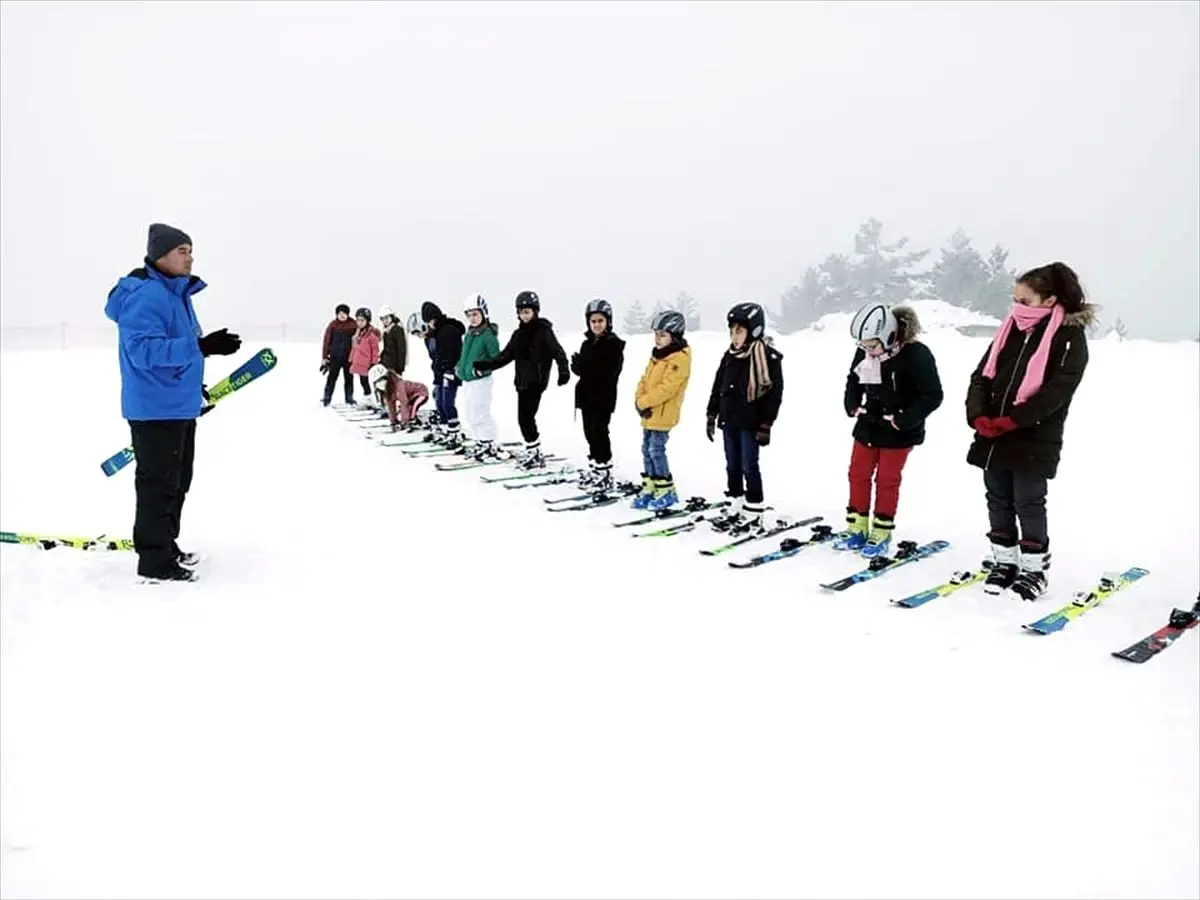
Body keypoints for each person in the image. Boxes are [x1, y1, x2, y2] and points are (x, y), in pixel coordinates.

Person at [103, 223, 242, 583]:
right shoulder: (148, 296)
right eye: (183, 251)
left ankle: (166, 545)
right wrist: (200, 346)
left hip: (176, 405)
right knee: (158, 486)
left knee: (178, 482)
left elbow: (178, 354)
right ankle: (154, 561)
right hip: (153, 409)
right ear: (160, 255)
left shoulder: (176, 294)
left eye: (191, 250)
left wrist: (194, 383)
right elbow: (142, 351)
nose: (190, 257)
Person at [966, 261, 1094, 601]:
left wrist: (1015, 420)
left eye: (1026, 301)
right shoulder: (1010, 329)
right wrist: (977, 415)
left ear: (1050, 300)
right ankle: (1004, 562)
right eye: (1015, 299)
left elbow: (1057, 391)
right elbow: (981, 375)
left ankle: (1034, 570)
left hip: (1034, 434)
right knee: (998, 498)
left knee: (1028, 501)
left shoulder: (1068, 337)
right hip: (992, 433)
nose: (1017, 307)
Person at [835, 302, 943, 558]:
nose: (867, 351)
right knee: (857, 474)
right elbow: (853, 378)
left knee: (886, 480)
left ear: (890, 336)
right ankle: (856, 528)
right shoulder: (866, 352)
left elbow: (932, 395)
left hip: (899, 430)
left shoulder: (917, 355)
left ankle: (881, 532)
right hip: (868, 424)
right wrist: (851, 403)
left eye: (871, 346)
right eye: (862, 346)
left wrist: (904, 419)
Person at [705, 303, 784, 529]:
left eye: (739, 331)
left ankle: (755, 505)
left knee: (749, 464)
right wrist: (711, 413)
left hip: (751, 422)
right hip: (729, 419)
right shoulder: (729, 355)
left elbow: (774, 394)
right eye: (731, 331)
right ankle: (736, 501)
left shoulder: (769, 357)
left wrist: (766, 424)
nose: (734, 336)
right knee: (732, 464)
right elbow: (718, 385)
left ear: (754, 330)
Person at [473, 290, 570, 469]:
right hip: (522, 382)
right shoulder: (518, 335)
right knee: (523, 418)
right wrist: (485, 365)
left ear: (535, 311)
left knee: (526, 418)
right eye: (521, 312)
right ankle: (533, 449)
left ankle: (534, 452)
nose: (524, 315)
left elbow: (558, 352)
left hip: (536, 382)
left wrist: (564, 371)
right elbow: (505, 356)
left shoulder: (544, 331)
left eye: (527, 312)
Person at [631, 310, 692, 511]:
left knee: (656, 450)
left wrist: (645, 402)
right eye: (656, 334)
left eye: (663, 335)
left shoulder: (679, 359)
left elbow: (667, 388)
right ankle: (651, 486)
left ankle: (666, 489)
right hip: (649, 413)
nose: (658, 338)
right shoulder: (657, 355)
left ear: (674, 336)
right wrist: (639, 398)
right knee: (646, 449)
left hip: (663, 413)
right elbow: (644, 379)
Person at [571, 298, 625, 492]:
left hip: (603, 397)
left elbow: (609, 372)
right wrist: (578, 368)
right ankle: (595, 467)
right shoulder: (587, 344)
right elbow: (586, 371)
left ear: (608, 322)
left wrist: (584, 369)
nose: (596, 325)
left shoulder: (614, 345)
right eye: (593, 321)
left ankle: (605, 471)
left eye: (600, 321)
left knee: (599, 432)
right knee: (589, 433)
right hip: (586, 396)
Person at [456, 293, 502, 460]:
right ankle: (479, 441)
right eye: (469, 315)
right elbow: (464, 355)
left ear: (484, 313)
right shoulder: (469, 335)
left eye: (475, 314)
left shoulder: (488, 335)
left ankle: (488, 442)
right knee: (469, 413)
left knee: (480, 411)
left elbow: (496, 359)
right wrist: (460, 367)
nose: (472, 318)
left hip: (481, 380)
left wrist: (481, 371)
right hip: (468, 380)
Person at [420, 302, 466, 446]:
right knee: (440, 404)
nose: (430, 324)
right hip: (440, 374)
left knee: (447, 404)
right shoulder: (436, 333)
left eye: (431, 321)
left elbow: (455, 352)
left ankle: (455, 432)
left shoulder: (448, 330)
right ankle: (447, 430)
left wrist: (449, 368)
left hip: (450, 373)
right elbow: (436, 355)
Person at [369, 364, 429, 430]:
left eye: (381, 380)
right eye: (377, 382)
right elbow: (391, 406)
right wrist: (393, 422)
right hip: (409, 397)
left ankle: (413, 419)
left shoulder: (399, 385)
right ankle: (411, 418)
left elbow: (404, 403)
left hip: (420, 392)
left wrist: (405, 422)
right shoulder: (387, 390)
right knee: (403, 413)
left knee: (410, 412)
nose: (380, 384)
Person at [321, 303, 357, 407]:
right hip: (335, 357)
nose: (342, 316)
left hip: (349, 357)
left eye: (344, 314)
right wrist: (324, 357)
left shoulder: (353, 325)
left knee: (349, 378)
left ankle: (349, 398)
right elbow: (327, 341)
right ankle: (327, 397)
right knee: (331, 378)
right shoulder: (333, 325)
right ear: (337, 314)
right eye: (340, 313)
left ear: (347, 314)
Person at [348, 307, 381, 403]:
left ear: (367, 321)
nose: (359, 323)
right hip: (359, 362)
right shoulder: (358, 334)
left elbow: (375, 350)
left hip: (367, 363)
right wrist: (351, 359)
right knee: (363, 382)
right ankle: (368, 398)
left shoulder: (371, 335)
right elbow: (354, 348)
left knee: (369, 382)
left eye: (362, 320)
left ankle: (375, 399)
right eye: (358, 320)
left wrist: (374, 363)